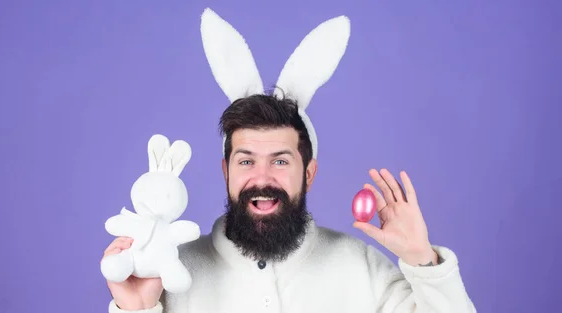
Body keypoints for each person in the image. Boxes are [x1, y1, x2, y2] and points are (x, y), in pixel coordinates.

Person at [102, 93, 476, 313]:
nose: (262, 178)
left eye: (280, 161)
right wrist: (135, 311)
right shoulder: (173, 272)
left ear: (308, 173)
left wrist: (423, 262)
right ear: (225, 171)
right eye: (246, 161)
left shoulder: (361, 267)